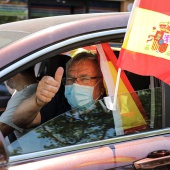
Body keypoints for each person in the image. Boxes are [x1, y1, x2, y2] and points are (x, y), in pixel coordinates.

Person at [13, 51, 105, 129]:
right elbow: (20, 121)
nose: (76, 84)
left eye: (84, 79)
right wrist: (37, 101)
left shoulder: (112, 109)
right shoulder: (59, 103)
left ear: (101, 87)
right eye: (70, 79)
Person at [0, 66, 37, 140]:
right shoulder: (33, 88)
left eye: (8, 72)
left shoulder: (24, 97)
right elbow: (13, 91)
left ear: (16, 72)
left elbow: (1, 129)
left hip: (19, 149)